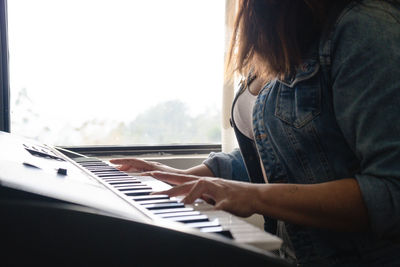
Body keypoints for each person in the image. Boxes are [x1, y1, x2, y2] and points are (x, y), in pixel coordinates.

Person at [111, 0, 400, 265]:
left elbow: (391, 191)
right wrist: (186, 177)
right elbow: (278, 155)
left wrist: (253, 197)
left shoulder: (364, 27)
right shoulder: (281, 32)